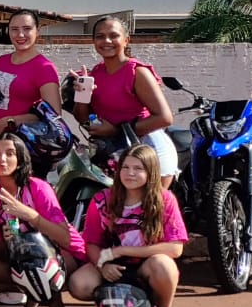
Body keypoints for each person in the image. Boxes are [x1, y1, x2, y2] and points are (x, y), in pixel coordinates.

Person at [69, 143, 186, 307]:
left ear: (151, 172)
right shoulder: (102, 200)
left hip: (146, 264)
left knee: (164, 266)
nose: (130, 173)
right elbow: (91, 243)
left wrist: (124, 250)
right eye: (125, 167)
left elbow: (175, 247)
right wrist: (102, 264)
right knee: (79, 283)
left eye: (138, 168)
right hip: (112, 264)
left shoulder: (164, 200)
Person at [0, 132, 83, 307]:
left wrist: (30, 215)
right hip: (24, 259)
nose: (2, 159)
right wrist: (6, 240)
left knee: (36, 253)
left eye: (10, 153)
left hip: (68, 254)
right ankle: (33, 296)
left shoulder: (37, 187)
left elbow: (66, 239)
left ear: (20, 160)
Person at [70, 14, 178, 185]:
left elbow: (164, 118)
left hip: (147, 146)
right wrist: (83, 94)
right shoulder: (95, 74)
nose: (106, 41)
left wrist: (116, 131)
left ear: (126, 40)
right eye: (100, 36)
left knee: (155, 204)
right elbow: (83, 119)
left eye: (114, 35)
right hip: (110, 150)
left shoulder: (137, 72)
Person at [0, 10, 62, 139]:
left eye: (27, 29)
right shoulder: (1, 61)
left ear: (38, 31)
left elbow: (54, 116)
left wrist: (9, 122)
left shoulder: (44, 68)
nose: (20, 34)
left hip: (24, 144)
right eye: (14, 29)